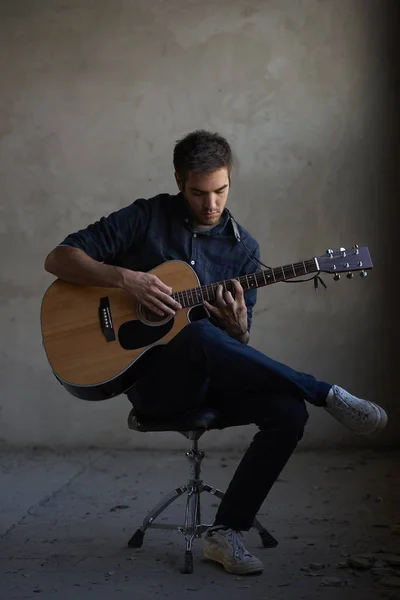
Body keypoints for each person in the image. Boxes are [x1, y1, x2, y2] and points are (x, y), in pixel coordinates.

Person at [44, 130, 388, 576]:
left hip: (214, 378)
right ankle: (324, 391)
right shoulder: (145, 218)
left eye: (221, 191)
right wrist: (126, 279)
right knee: (195, 337)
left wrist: (238, 326)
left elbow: (239, 348)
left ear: (230, 181)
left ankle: (225, 533)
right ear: (178, 180)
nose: (211, 204)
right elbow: (58, 258)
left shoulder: (244, 251)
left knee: (288, 412)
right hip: (157, 387)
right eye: (198, 192)